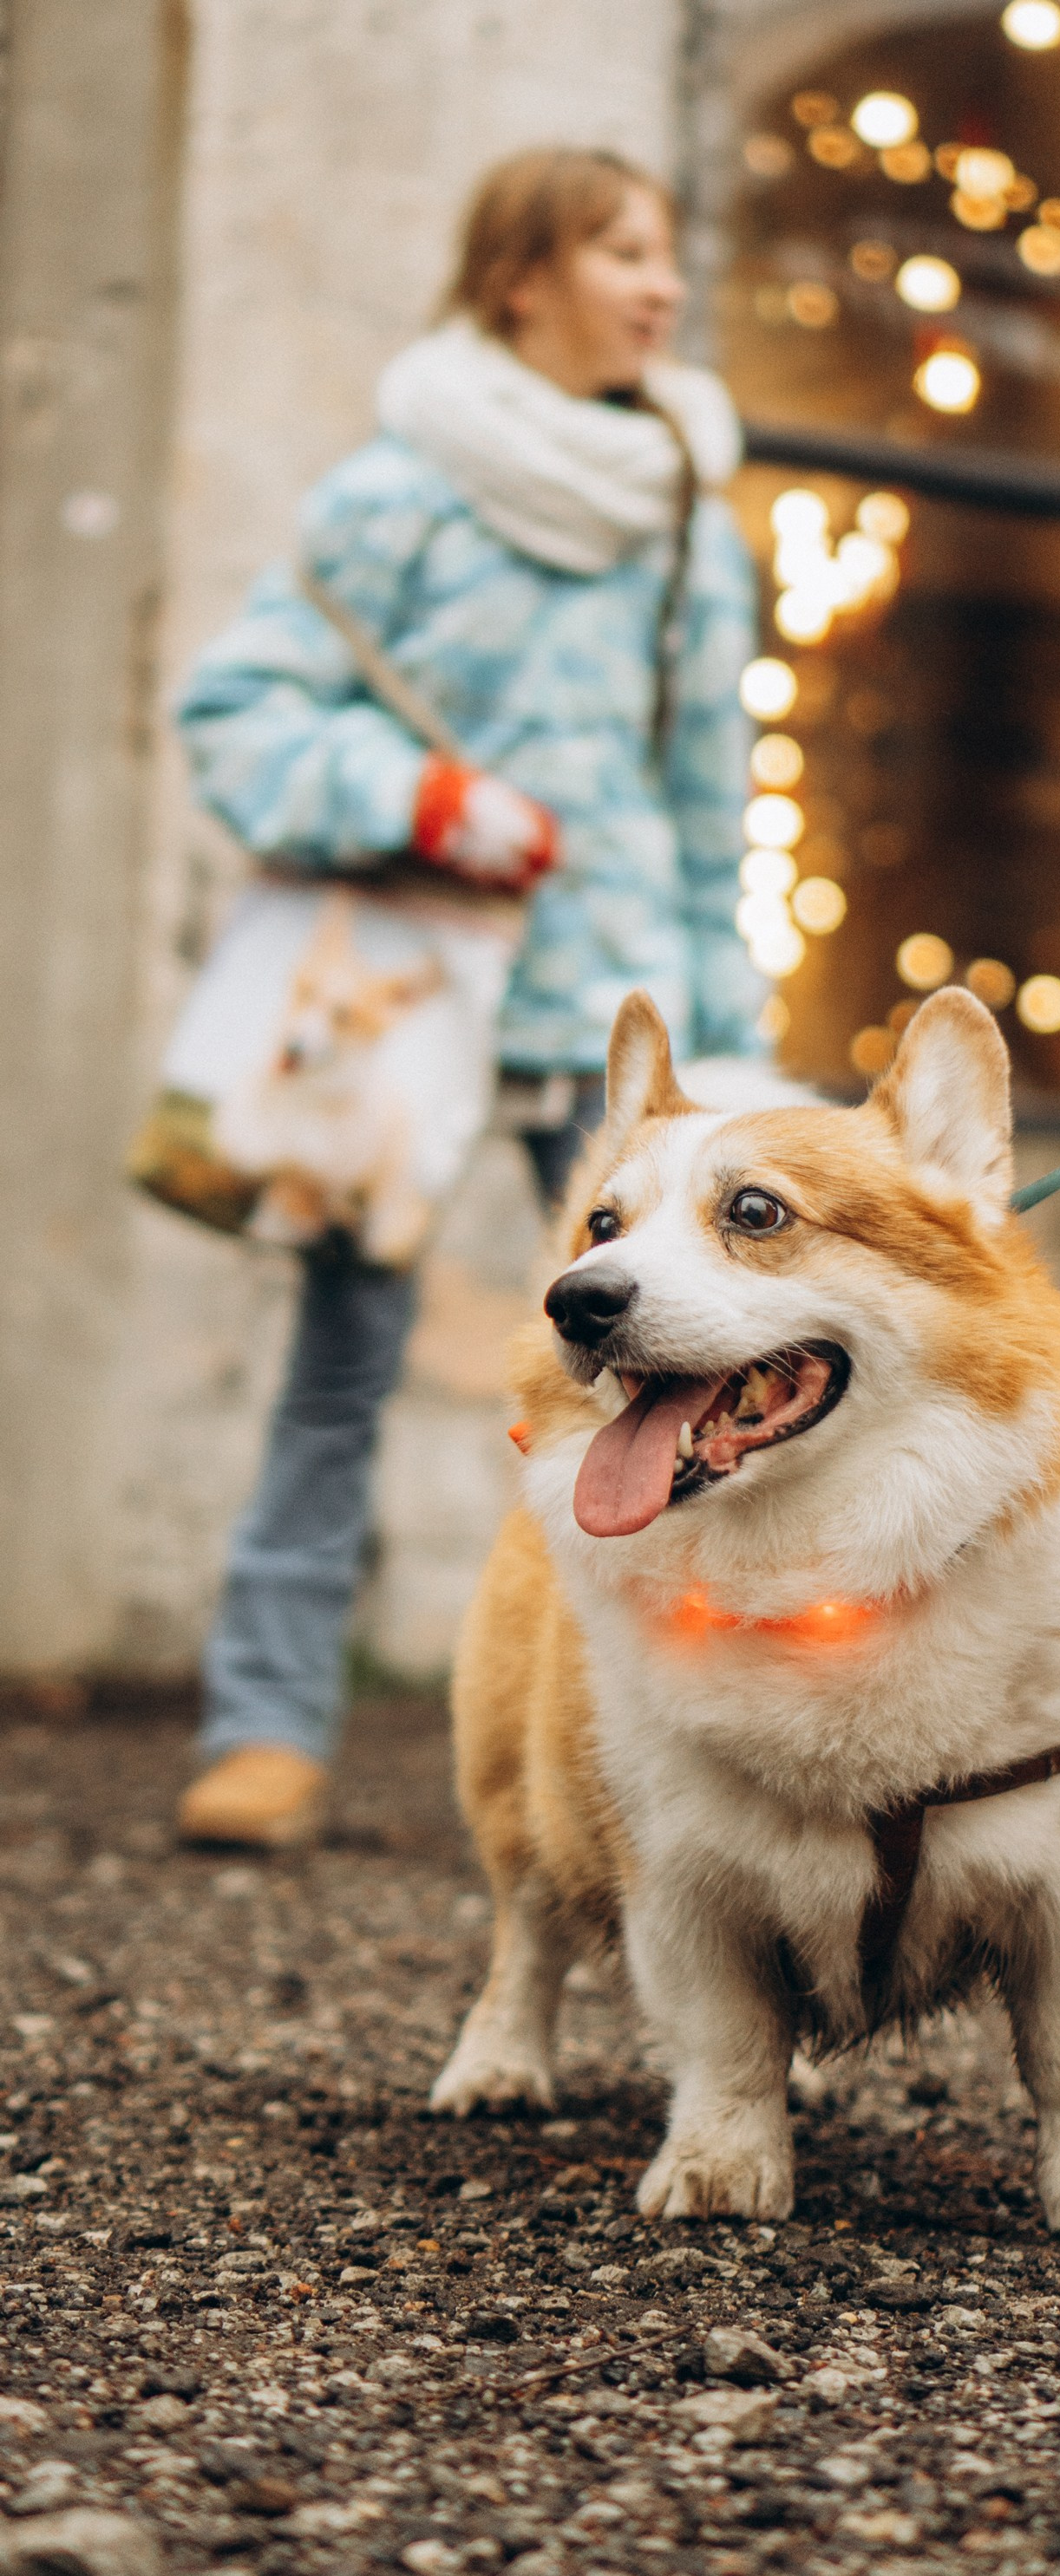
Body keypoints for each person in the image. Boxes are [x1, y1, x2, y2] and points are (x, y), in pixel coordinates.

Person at [173, 146, 763, 1849]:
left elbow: (706, 796)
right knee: (338, 1376)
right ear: (521, 279)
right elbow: (238, 715)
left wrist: (725, 1031)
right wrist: (422, 800)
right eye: (622, 254)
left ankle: (673, 1754)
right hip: (406, 1009)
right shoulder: (396, 497)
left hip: (617, 1033)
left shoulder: (681, 513)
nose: (661, 287)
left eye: (665, 254)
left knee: (666, 1387)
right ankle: (264, 1733)